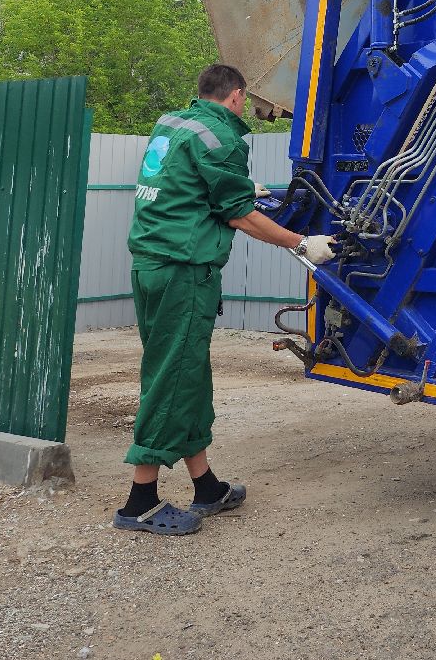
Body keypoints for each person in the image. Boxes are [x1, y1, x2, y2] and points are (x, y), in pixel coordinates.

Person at [113, 63, 336, 535]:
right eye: (246, 100)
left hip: (152, 263)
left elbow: (190, 188)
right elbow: (239, 215)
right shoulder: (223, 137)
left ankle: (206, 486)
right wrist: (299, 242)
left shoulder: (172, 124)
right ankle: (140, 501)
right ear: (236, 95)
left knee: (187, 372)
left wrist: (238, 193)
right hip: (184, 271)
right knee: (172, 377)